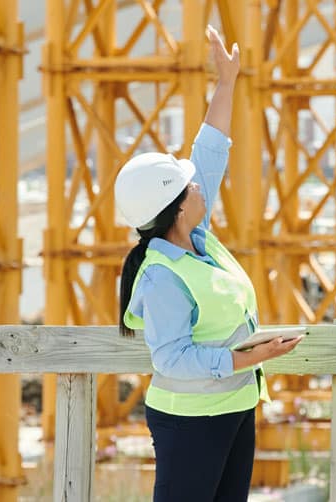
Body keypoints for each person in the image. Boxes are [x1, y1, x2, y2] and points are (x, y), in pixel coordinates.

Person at [115, 26, 302, 502]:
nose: (198, 183)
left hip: (235, 405)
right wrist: (249, 357)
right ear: (177, 207)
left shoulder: (199, 239)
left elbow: (211, 155)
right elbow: (170, 358)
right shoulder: (161, 275)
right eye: (188, 184)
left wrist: (227, 81)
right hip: (190, 418)